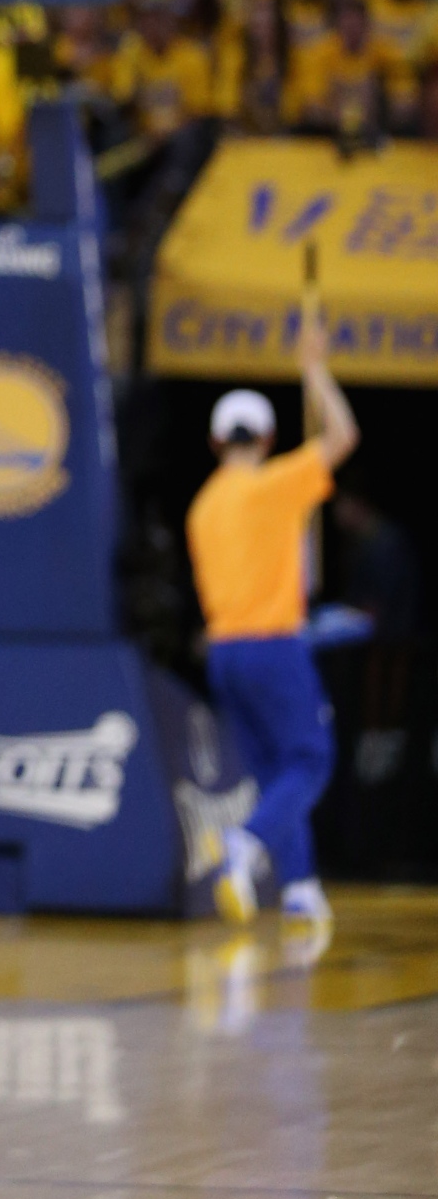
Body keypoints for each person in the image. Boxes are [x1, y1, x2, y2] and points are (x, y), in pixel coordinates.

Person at [185, 310, 358, 931]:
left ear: (215, 442)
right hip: (273, 646)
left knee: (274, 774)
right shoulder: (271, 485)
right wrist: (314, 368)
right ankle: (244, 844)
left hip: (225, 655)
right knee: (310, 760)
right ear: (265, 438)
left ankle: (301, 888)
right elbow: (341, 436)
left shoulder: (203, 506)